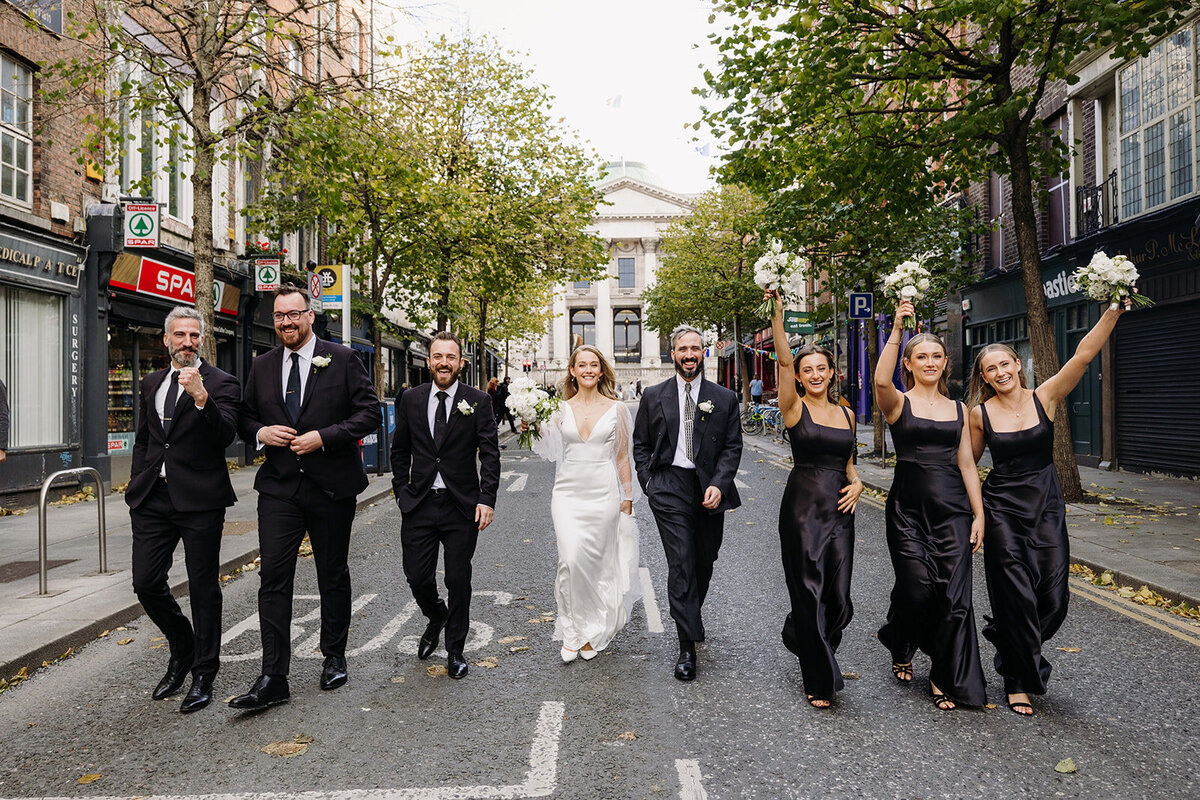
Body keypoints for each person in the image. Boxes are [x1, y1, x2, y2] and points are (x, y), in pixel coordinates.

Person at [968, 301, 1128, 717]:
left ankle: (1009, 640)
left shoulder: (1047, 396)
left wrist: (1111, 312)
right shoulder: (979, 414)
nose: (1000, 373)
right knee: (1016, 596)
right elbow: (966, 464)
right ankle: (1017, 680)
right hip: (1002, 509)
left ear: (1018, 365)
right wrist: (968, 513)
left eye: (1005, 364)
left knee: (1054, 598)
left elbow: (1083, 355)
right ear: (983, 377)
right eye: (991, 369)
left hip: (1046, 506)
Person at [231, 286, 381, 711]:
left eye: (293, 315)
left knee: (332, 573)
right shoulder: (261, 365)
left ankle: (333, 656)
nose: (286, 323)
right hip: (279, 487)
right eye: (279, 317)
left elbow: (368, 413)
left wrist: (325, 437)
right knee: (273, 579)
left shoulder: (344, 359)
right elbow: (244, 417)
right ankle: (273, 676)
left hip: (331, 485)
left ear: (310, 316)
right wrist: (261, 433)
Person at [124, 307, 240, 713]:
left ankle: (204, 672)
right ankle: (183, 645)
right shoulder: (151, 381)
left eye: (194, 336)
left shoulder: (222, 383)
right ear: (166, 339)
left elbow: (226, 434)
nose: (187, 342)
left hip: (200, 500)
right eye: (180, 335)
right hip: (153, 498)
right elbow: (145, 438)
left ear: (202, 340)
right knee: (145, 582)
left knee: (202, 585)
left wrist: (201, 397)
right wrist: (137, 479)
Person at [874, 300, 986, 711]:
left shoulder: (960, 409)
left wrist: (979, 513)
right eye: (921, 357)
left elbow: (967, 464)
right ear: (909, 363)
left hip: (953, 511)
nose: (930, 362)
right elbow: (880, 380)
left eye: (937, 356)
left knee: (954, 597)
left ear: (946, 363)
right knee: (917, 588)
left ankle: (943, 673)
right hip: (907, 510)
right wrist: (898, 329)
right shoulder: (898, 403)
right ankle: (900, 639)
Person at [765, 297, 862, 708]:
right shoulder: (793, 409)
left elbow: (851, 463)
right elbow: (784, 363)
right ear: (801, 378)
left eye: (821, 368)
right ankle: (819, 678)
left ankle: (800, 633)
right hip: (803, 509)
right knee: (808, 590)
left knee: (838, 597)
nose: (815, 374)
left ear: (832, 373)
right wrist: (777, 318)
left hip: (840, 509)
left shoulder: (848, 413)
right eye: (808, 370)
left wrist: (857, 484)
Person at [633, 325, 743, 681]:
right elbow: (641, 444)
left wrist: (720, 484)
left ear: (703, 352)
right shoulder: (653, 395)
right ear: (673, 353)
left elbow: (732, 446)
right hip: (669, 485)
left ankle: (691, 613)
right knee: (680, 562)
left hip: (709, 487)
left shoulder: (724, 397)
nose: (690, 354)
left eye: (695, 348)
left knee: (704, 559)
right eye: (683, 349)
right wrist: (649, 482)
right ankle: (686, 646)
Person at [390, 332, 501, 680]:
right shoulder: (410, 398)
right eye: (437, 356)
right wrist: (400, 491)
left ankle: (455, 650)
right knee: (417, 577)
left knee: (458, 578)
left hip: (460, 505)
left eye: (450, 357)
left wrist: (486, 499)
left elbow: (490, 455)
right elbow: (399, 450)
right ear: (428, 361)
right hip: (419, 504)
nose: (443, 363)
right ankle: (435, 615)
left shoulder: (479, 401)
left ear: (460, 363)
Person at [527, 345, 641, 663]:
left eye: (594, 365)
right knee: (571, 560)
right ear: (573, 372)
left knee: (597, 565)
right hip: (567, 494)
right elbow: (546, 444)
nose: (588, 369)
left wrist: (627, 497)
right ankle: (572, 629)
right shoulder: (559, 409)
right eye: (582, 365)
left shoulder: (617, 409)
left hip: (604, 494)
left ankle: (591, 631)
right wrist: (529, 425)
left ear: (601, 371)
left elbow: (622, 457)